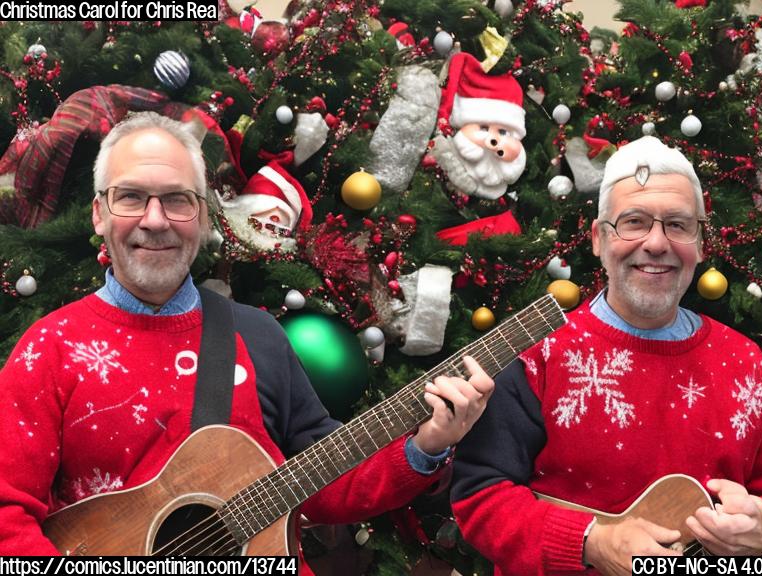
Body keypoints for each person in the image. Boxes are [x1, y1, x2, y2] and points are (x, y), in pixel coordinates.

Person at [0, 112, 495, 568]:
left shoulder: (256, 336)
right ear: (98, 214)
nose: (154, 220)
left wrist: (428, 443)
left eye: (177, 199)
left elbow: (323, 482)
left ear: (203, 215)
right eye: (130, 197)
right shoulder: (52, 346)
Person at [451, 136, 762, 575]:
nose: (656, 243)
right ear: (598, 239)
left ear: (701, 243)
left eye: (677, 224)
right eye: (634, 222)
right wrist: (589, 543)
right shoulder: (539, 355)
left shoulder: (746, 363)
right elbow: (481, 495)